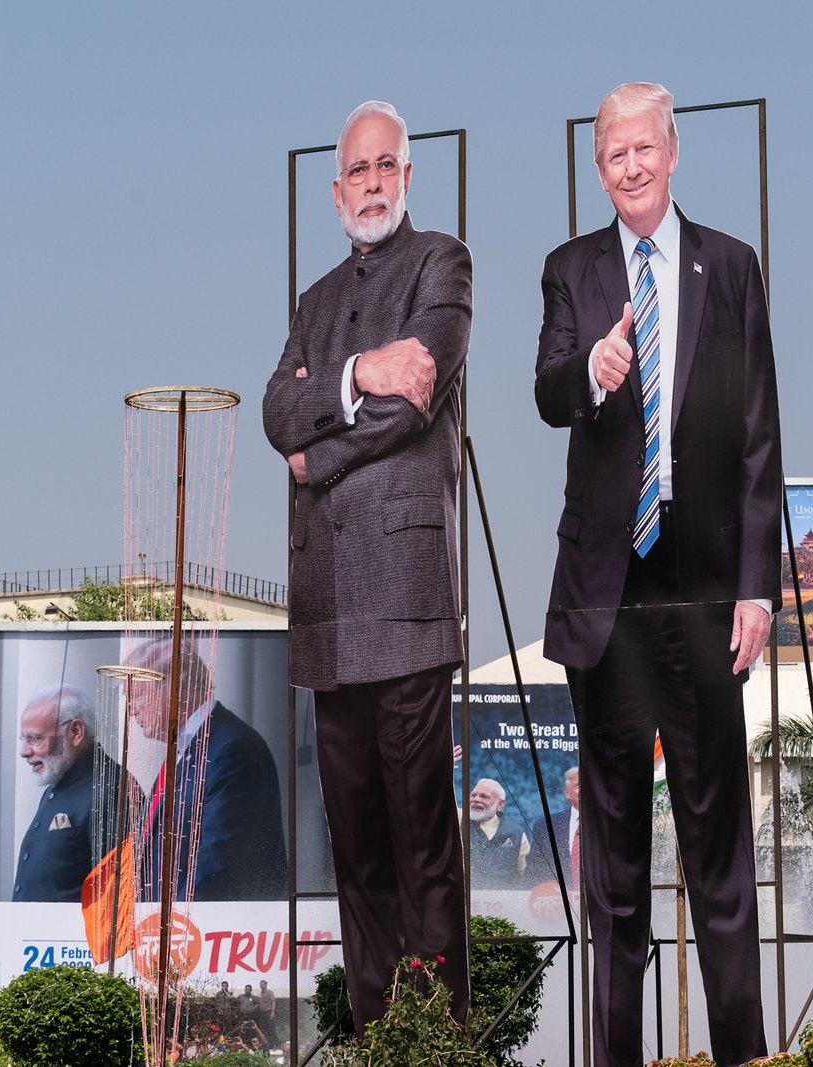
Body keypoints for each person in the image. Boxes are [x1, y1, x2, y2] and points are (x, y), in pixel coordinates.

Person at [534, 82, 782, 1067]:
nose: (628, 167)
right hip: (606, 600)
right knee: (616, 876)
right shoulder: (569, 270)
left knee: (720, 860)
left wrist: (758, 585)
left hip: (708, 590)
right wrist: (588, 370)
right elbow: (546, 389)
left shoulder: (729, 267)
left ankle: (745, 1056)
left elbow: (760, 431)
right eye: (611, 154)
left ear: (672, 152)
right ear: (598, 166)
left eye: (642, 149)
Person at [261, 99, 472, 1030]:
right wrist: (358, 375)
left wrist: (323, 430)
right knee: (356, 853)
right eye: (358, 170)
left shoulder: (443, 263)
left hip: (407, 602)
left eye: (388, 166)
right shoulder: (311, 302)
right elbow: (276, 412)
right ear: (337, 185)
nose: (373, 183)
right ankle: (383, 1040)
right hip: (326, 610)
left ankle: (440, 1040)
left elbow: (414, 403)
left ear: (408, 178)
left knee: (423, 841)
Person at [124, 635, 287, 901]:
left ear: (177, 687)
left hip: (207, 933)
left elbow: (216, 867)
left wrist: (170, 933)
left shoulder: (233, 749)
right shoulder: (185, 749)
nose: (132, 710)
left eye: (138, 695)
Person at [12, 684, 129, 902]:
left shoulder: (111, 789)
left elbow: (115, 900)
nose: (24, 752)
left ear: (75, 732)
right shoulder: (58, 783)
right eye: (23, 739)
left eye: (35, 738)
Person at [466, 779, 530, 888]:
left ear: (500, 804)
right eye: (473, 795)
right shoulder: (458, 821)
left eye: (484, 796)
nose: (476, 799)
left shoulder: (516, 834)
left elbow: (526, 876)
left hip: (503, 901)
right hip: (463, 900)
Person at [527, 767, 581, 890]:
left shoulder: (610, 826)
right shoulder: (545, 826)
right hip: (556, 904)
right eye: (578, 786)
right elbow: (533, 872)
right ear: (567, 793)